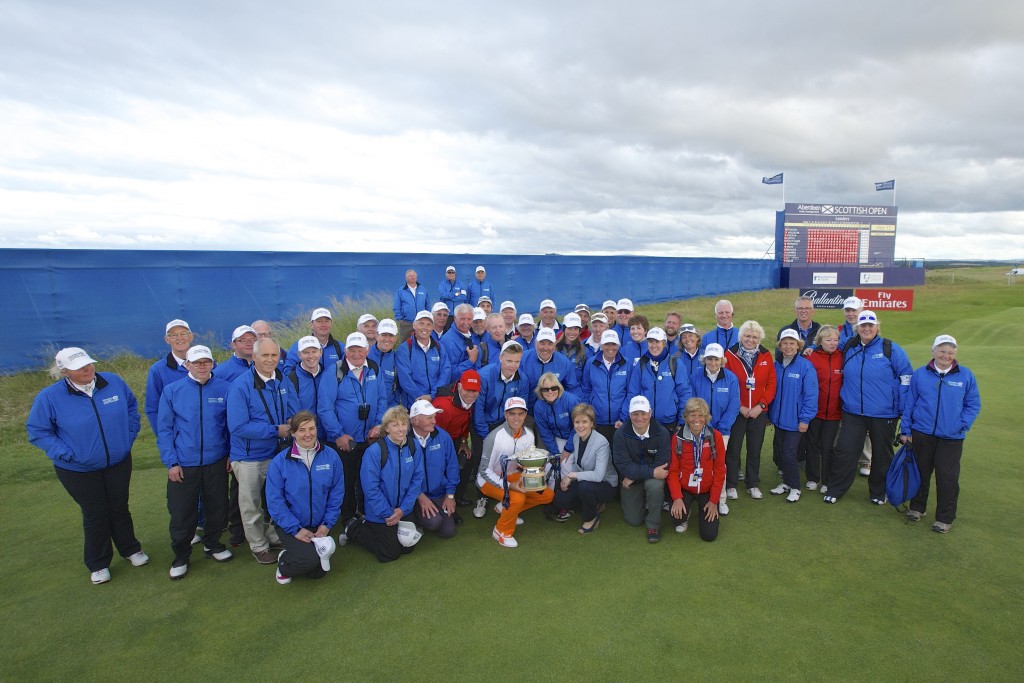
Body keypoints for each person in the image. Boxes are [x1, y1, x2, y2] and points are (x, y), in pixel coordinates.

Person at [26, 347, 149, 584]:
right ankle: (98, 563)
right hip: (77, 469)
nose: (87, 369)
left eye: (89, 363)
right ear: (64, 372)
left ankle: (131, 550)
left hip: (118, 462)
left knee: (119, 507)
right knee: (95, 513)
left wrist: (128, 435)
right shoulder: (50, 397)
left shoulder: (112, 382)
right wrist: (66, 453)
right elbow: (38, 431)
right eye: (79, 367)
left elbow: (132, 409)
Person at [156, 345, 234, 580]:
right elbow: (165, 429)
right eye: (197, 362)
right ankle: (181, 556)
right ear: (187, 365)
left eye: (206, 362)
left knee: (218, 506)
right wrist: (171, 462)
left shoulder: (225, 388)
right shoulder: (172, 391)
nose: (202, 366)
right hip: (184, 462)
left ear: (212, 363)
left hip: (216, 460)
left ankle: (212, 544)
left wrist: (230, 453)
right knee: (182, 512)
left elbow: (229, 426)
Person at [826, 311, 913, 505]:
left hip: (884, 414)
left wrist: (901, 408)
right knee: (845, 451)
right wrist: (810, 348)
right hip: (853, 411)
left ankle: (878, 492)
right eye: (863, 325)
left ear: (877, 327)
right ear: (857, 328)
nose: (866, 329)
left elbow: (906, 378)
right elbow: (826, 346)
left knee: (882, 455)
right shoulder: (848, 345)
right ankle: (835, 489)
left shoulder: (891, 348)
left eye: (870, 325)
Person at [226, 337, 298, 563]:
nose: (270, 360)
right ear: (254, 357)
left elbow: (294, 410)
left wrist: (292, 423)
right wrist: (275, 430)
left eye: (274, 355)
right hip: (249, 456)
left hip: (278, 453)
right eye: (265, 355)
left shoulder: (283, 380)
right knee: (251, 505)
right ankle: (258, 546)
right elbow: (238, 426)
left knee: (277, 500)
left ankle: (273, 536)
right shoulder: (241, 385)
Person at [901, 335, 981, 533]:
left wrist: (962, 425)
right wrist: (906, 430)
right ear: (933, 351)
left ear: (955, 354)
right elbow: (910, 404)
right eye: (942, 351)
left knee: (947, 477)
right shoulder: (920, 374)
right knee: (921, 472)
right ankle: (917, 508)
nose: (946, 355)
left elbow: (973, 404)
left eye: (950, 352)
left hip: (951, 437)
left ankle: (944, 518)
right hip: (922, 433)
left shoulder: (965, 375)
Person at [265, 411, 344, 584]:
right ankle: (284, 562)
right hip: (291, 524)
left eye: (312, 428)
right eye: (302, 430)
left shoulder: (331, 457)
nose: (308, 434)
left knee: (318, 572)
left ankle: (300, 554)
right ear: (293, 433)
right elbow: (275, 502)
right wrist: (296, 530)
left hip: (319, 524)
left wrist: (327, 524)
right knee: (309, 561)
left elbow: (336, 494)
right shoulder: (279, 462)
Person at [317, 332, 386, 523]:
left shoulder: (374, 368)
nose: (356, 354)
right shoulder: (334, 372)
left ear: (367, 350)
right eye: (352, 350)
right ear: (345, 350)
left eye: (360, 349)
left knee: (369, 478)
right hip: (345, 440)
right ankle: (347, 517)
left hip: (370, 437)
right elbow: (325, 408)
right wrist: (338, 434)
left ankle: (367, 513)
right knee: (346, 481)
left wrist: (379, 424)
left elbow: (382, 398)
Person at [343, 406, 424, 562]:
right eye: (395, 425)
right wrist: (388, 513)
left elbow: (417, 480)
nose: (401, 429)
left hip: (403, 509)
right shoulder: (375, 451)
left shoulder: (414, 447)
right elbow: (370, 488)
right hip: (381, 512)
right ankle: (354, 528)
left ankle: (384, 530)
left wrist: (403, 509)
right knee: (390, 553)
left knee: (408, 547)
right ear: (386, 428)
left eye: (403, 424)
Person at [477, 397, 553, 548]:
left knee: (547, 495)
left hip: (512, 475)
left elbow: (524, 460)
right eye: (512, 414)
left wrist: (536, 468)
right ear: (505, 414)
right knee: (517, 498)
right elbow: (484, 471)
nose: (516, 418)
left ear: (525, 415)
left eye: (520, 413)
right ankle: (501, 531)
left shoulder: (529, 434)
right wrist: (510, 486)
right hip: (488, 479)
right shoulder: (494, 437)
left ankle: (506, 510)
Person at [471, 341, 529, 517]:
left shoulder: (522, 379)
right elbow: (478, 408)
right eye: (509, 361)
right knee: (483, 461)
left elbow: (520, 409)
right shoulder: (485, 375)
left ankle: (502, 496)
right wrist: (483, 435)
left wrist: (512, 430)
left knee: (503, 461)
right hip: (483, 423)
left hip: (505, 423)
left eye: (517, 361)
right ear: (501, 358)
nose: (513, 365)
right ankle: (482, 497)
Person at [723, 320, 776, 501]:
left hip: (758, 413)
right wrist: (740, 407)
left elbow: (771, 384)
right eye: (747, 335)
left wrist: (760, 406)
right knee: (733, 449)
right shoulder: (729, 354)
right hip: (737, 412)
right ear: (741, 336)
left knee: (754, 450)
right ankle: (730, 484)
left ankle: (752, 483)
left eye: (754, 336)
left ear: (759, 338)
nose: (750, 339)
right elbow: (727, 384)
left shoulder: (766, 355)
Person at [688, 343, 740, 514]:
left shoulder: (731, 378)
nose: (712, 362)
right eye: (709, 358)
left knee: (719, 466)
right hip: (698, 428)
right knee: (697, 462)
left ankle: (720, 499)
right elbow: (692, 402)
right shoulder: (696, 375)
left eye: (716, 359)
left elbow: (733, 405)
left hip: (721, 431)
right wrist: (703, 426)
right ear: (704, 360)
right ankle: (698, 496)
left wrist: (720, 428)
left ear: (721, 360)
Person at [612, 395, 672, 543]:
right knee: (633, 520)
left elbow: (662, 464)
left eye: (643, 413)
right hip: (635, 476)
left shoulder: (662, 432)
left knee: (655, 485)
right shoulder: (620, 433)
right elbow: (623, 464)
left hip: (645, 477)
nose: (640, 418)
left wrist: (636, 474)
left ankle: (653, 525)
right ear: (630, 415)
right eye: (635, 414)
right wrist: (649, 472)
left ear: (650, 413)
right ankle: (645, 502)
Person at [768, 330, 818, 502]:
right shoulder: (776, 365)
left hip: (796, 421)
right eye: (785, 343)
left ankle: (795, 487)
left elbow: (811, 395)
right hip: (779, 420)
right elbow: (772, 392)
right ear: (780, 346)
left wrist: (805, 419)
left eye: (792, 343)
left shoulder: (805, 366)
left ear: (798, 345)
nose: (788, 347)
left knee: (789, 454)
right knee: (782, 452)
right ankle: (787, 483)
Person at [552, 404, 617, 534]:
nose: (580, 426)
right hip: (586, 480)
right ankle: (596, 503)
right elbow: (579, 464)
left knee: (585, 488)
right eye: (577, 422)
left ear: (592, 423)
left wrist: (572, 475)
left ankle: (591, 518)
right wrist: (567, 478)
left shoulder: (601, 442)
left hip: (605, 484)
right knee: (560, 500)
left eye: (584, 422)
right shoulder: (576, 437)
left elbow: (598, 475)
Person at [667, 398, 726, 541]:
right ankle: (685, 511)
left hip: (707, 490)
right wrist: (677, 498)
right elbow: (673, 472)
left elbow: (720, 470)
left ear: (706, 418)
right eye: (693, 415)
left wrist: (713, 501)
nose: (697, 419)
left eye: (701, 416)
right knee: (677, 520)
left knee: (709, 535)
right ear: (686, 417)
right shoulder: (677, 438)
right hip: (685, 489)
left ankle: (702, 509)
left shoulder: (715, 436)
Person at [409, 400, 460, 539]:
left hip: (439, 493)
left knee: (448, 531)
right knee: (434, 522)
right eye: (429, 417)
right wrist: (420, 496)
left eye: (434, 417)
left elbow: (452, 466)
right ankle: (413, 516)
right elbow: (400, 475)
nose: (434, 421)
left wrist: (450, 495)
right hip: (413, 495)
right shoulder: (404, 439)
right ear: (415, 420)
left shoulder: (443, 436)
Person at [625, 327, 691, 432]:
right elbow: (633, 393)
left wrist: (682, 421)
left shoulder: (675, 364)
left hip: (669, 423)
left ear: (664, 343)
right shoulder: (641, 364)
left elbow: (684, 393)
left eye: (657, 342)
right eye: (650, 341)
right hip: (646, 422)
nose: (654, 345)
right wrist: (624, 417)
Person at [432, 369, 481, 509]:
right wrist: (446, 452)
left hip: (457, 439)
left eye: (475, 391)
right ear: (459, 386)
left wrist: (464, 442)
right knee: (447, 466)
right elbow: (435, 433)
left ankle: (457, 497)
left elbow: (465, 423)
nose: (471, 395)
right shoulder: (443, 406)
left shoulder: (471, 401)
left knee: (468, 458)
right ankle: (443, 501)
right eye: (468, 390)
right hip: (440, 442)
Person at [806, 325, 843, 493]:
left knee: (828, 446)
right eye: (829, 340)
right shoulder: (811, 356)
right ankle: (812, 478)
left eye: (836, 340)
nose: (833, 343)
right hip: (815, 411)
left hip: (834, 413)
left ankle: (826, 480)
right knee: (812, 444)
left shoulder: (842, 356)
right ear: (820, 340)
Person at [144, 319, 194, 428]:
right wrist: (164, 438)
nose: (179, 338)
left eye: (183, 334)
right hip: (178, 437)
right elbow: (153, 408)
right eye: (173, 335)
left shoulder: (208, 363)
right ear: (167, 339)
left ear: (191, 336)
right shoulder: (157, 370)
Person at [581, 330, 629, 444]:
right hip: (597, 421)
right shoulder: (591, 363)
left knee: (617, 456)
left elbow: (630, 393)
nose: (610, 347)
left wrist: (623, 417)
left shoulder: (627, 363)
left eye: (613, 344)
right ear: (601, 345)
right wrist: (589, 416)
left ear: (618, 345)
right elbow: (586, 390)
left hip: (619, 421)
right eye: (607, 344)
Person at [395, 310, 451, 406]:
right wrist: (421, 397)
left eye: (429, 324)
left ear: (432, 327)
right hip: (414, 402)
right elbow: (405, 378)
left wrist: (432, 395)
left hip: (436, 400)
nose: (425, 327)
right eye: (421, 323)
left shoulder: (439, 347)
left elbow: (445, 372)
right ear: (414, 325)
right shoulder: (404, 349)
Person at [520, 328, 579, 409]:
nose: (545, 348)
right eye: (542, 343)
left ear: (555, 344)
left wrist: (576, 409)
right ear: (536, 343)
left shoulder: (564, 362)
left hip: (554, 412)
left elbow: (572, 388)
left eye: (550, 344)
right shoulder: (523, 359)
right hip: (526, 411)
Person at [533, 373, 582, 466]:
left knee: (566, 465)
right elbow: (545, 433)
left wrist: (568, 449)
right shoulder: (538, 406)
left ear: (559, 388)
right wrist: (555, 453)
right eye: (545, 389)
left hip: (578, 437)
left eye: (554, 388)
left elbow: (578, 427)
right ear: (540, 391)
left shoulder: (571, 400)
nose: (550, 392)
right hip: (559, 438)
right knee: (552, 465)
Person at [283, 308, 343, 375]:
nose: (323, 325)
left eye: (327, 321)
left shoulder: (340, 348)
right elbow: (287, 371)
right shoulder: (299, 346)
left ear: (331, 324)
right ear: (311, 324)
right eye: (319, 321)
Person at [286, 336, 325, 440]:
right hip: (305, 438)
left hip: (329, 437)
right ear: (299, 355)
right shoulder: (291, 379)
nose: (311, 356)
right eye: (306, 352)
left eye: (314, 351)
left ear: (320, 352)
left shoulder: (329, 375)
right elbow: (295, 415)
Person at [439, 303, 481, 383]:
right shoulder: (446, 341)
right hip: (458, 388)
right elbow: (449, 374)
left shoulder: (475, 337)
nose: (466, 322)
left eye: (469, 319)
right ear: (455, 318)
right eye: (462, 318)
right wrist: (470, 361)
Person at [368, 318, 401, 409]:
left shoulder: (398, 359)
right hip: (366, 409)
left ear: (396, 338)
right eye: (384, 335)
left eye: (391, 335)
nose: (387, 339)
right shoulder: (363, 354)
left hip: (389, 408)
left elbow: (399, 387)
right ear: (377, 335)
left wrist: (394, 405)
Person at [393, 269, 430, 343]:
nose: (412, 277)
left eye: (414, 275)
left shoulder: (423, 290)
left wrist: (427, 318)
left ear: (416, 277)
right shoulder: (400, 291)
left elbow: (428, 305)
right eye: (410, 276)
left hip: (421, 323)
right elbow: (396, 306)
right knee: (405, 343)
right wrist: (400, 320)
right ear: (406, 278)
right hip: (406, 323)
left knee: (421, 342)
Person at [555, 312, 587, 387]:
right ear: (564, 329)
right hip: (555, 392)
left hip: (576, 393)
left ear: (579, 331)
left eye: (576, 329)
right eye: (569, 328)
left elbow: (586, 379)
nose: (572, 332)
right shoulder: (555, 348)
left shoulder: (584, 351)